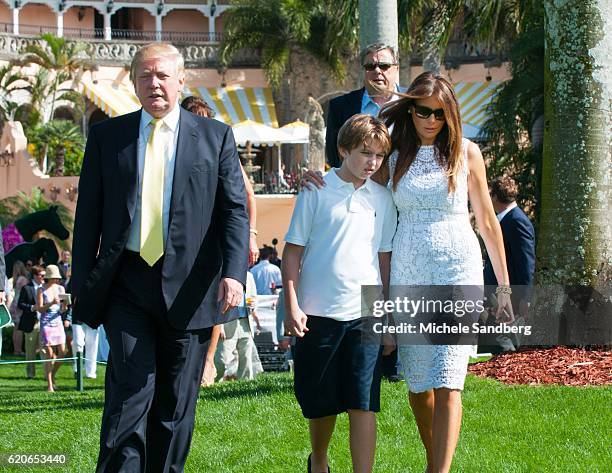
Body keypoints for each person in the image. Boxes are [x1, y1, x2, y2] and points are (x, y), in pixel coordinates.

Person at [71, 43, 249, 472]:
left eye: (163, 75)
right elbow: (88, 216)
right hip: (126, 284)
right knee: (129, 395)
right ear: (133, 82)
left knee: (174, 406)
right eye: (145, 75)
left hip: (189, 289)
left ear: (181, 79)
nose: (155, 83)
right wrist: (81, 285)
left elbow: (234, 210)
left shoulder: (215, 136)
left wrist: (235, 273)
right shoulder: (107, 137)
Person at [377, 72, 514, 472]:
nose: (432, 120)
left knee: (449, 379)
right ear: (411, 108)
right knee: (419, 387)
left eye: (441, 113)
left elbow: (488, 222)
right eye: (424, 111)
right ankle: (433, 459)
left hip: (458, 266)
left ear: (451, 114)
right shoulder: (394, 153)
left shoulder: (466, 152)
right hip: (408, 266)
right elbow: (363, 189)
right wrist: (322, 182)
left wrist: (503, 288)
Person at [283, 114, 397, 473]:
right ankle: (319, 459)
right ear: (344, 149)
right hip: (317, 310)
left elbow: (384, 261)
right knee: (321, 402)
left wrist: (389, 317)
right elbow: (293, 252)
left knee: (364, 401)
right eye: (365, 153)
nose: (372, 163)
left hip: (366, 310)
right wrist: (292, 304)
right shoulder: (314, 189)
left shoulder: (383, 199)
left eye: (379, 156)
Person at [180, 95, 260, 388]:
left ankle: (208, 361)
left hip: (214, 235)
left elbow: (247, 194)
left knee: (215, 297)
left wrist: (250, 235)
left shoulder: (218, 145)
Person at [325, 43, 401, 168]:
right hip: (358, 186)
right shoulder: (340, 106)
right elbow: (335, 157)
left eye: (384, 66)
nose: (377, 71)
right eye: (370, 66)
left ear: (396, 69)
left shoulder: (413, 102)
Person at [483, 176, 535, 352]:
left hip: (510, 295)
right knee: (496, 336)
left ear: (496, 197)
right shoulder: (505, 219)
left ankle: (510, 371)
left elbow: (526, 262)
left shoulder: (517, 221)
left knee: (503, 337)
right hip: (497, 292)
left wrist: (525, 298)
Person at [215, 271, 262, 381]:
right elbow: (218, 301)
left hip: (245, 321)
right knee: (222, 358)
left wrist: (253, 305)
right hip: (227, 321)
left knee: (246, 356)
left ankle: (245, 383)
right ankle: (214, 379)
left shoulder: (249, 276)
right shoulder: (225, 274)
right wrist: (219, 326)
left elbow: (254, 297)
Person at [36, 264, 69, 392]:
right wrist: (51, 303)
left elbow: (62, 309)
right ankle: (50, 384)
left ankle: (52, 375)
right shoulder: (41, 289)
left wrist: (65, 306)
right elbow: (39, 308)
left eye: (57, 278)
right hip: (46, 322)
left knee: (63, 351)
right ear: (49, 278)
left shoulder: (60, 288)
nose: (57, 280)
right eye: (54, 277)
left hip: (57, 321)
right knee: (49, 354)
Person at [17, 264, 45, 378]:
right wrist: (31, 307)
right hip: (31, 323)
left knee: (44, 351)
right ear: (34, 275)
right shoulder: (26, 288)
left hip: (44, 323)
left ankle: (47, 375)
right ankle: (30, 374)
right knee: (30, 351)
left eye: (44, 275)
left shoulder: (45, 287)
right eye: (41, 275)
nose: (43, 277)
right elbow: (20, 304)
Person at [8, 260, 29, 355]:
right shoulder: (23, 279)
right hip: (20, 304)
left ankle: (16, 349)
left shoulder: (15, 279)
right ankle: (19, 350)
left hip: (14, 304)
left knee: (16, 329)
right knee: (19, 328)